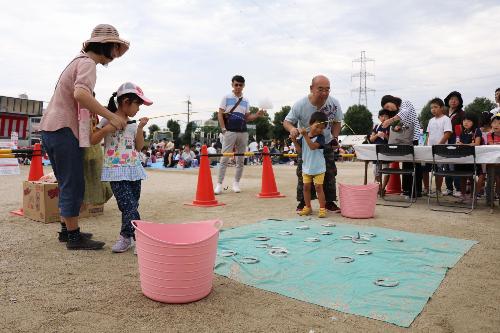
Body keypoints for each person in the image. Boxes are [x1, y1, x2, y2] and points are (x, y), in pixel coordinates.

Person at [40, 24, 129, 250]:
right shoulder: (89, 63)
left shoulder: (77, 60)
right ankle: (73, 236)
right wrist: (111, 116)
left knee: (65, 182)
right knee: (73, 183)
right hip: (64, 129)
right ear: (106, 45)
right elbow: (80, 94)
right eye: (116, 48)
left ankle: (66, 231)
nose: (116, 54)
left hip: (51, 128)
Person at [90, 82, 152, 253]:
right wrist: (108, 128)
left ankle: (127, 236)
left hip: (134, 169)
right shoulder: (106, 118)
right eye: (137, 104)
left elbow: (139, 147)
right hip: (115, 171)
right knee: (128, 205)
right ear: (125, 101)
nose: (139, 108)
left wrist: (140, 128)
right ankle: (141, 238)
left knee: (131, 205)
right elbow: (93, 139)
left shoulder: (133, 124)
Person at [284, 75, 343, 212]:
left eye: (327, 90)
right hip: (306, 144)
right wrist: (293, 129)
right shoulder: (300, 104)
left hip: (326, 142)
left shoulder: (334, 103)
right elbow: (287, 122)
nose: (324, 93)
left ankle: (329, 202)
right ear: (311, 88)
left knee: (329, 172)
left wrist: (335, 137)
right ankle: (304, 202)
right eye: (320, 89)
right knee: (303, 173)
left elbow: (337, 122)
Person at [214, 75, 265, 194]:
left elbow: (247, 117)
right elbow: (220, 114)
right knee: (224, 158)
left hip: (243, 132)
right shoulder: (226, 97)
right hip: (229, 131)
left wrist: (257, 115)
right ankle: (219, 184)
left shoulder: (246, 100)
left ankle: (236, 183)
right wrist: (223, 129)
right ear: (232, 84)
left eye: (240, 85)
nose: (238, 87)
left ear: (243, 86)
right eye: (236, 84)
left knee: (240, 159)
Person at [382, 95, 423, 198]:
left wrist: (390, 121)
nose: (388, 109)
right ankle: (407, 190)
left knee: (414, 165)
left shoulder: (405, 103)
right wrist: (397, 126)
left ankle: (415, 191)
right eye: (386, 109)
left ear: (392, 101)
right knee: (406, 164)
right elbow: (404, 122)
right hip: (405, 140)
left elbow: (404, 113)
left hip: (414, 138)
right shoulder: (398, 112)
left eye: (387, 106)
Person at [290, 112, 328, 218]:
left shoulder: (321, 138)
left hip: (319, 168)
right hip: (306, 167)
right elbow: (300, 151)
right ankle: (308, 207)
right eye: (317, 126)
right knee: (306, 187)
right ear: (310, 124)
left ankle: (322, 208)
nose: (319, 130)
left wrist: (305, 135)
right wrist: (294, 141)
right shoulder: (303, 137)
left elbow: (312, 146)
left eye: (322, 128)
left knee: (319, 188)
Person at [422, 98, 452, 196]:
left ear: (442, 108)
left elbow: (447, 134)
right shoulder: (431, 120)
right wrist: (425, 145)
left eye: (435, 107)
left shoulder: (446, 119)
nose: (433, 109)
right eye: (431, 108)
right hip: (429, 150)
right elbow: (428, 134)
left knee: (439, 170)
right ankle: (426, 189)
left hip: (440, 149)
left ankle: (438, 190)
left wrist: (439, 145)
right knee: (425, 169)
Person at [455, 112, 482, 204]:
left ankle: (472, 196)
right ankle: (463, 195)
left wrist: (463, 145)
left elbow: (477, 144)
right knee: (462, 177)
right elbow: (459, 143)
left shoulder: (477, 131)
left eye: (469, 121)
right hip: (463, 158)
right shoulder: (462, 131)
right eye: (464, 120)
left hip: (472, 158)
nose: (466, 122)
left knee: (471, 177)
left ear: (474, 122)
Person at [443, 91, 465, 197]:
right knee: (446, 166)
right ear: (448, 100)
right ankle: (449, 188)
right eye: (451, 99)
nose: (453, 101)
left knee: (454, 165)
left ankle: (459, 188)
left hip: (454, 141)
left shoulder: (461, 113)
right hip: (444, 141)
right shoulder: (444, 112)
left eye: (456, 99)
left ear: (459, 101)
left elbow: (463, 128)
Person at [368, 109, 390, 189]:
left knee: (386, 170)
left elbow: (392, 140)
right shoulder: (377, 126)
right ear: (379, 117)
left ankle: (383, 188)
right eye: (382, 116)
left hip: (386, 151)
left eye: (386, 116)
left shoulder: (390, 127)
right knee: (375, 170)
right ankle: (379, 187)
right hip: (376, 152)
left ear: (389, 117)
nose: (384, 118)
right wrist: (377, 135)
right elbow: (371, 139)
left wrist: (385, 136)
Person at [485, 113, 500, 204]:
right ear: (491, 124)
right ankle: (489, 201)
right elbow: (491, 145)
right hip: (491, 163)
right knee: (491, 181)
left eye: (499, 123)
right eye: (494, 122)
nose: (496, 125)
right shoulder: (490, 135)